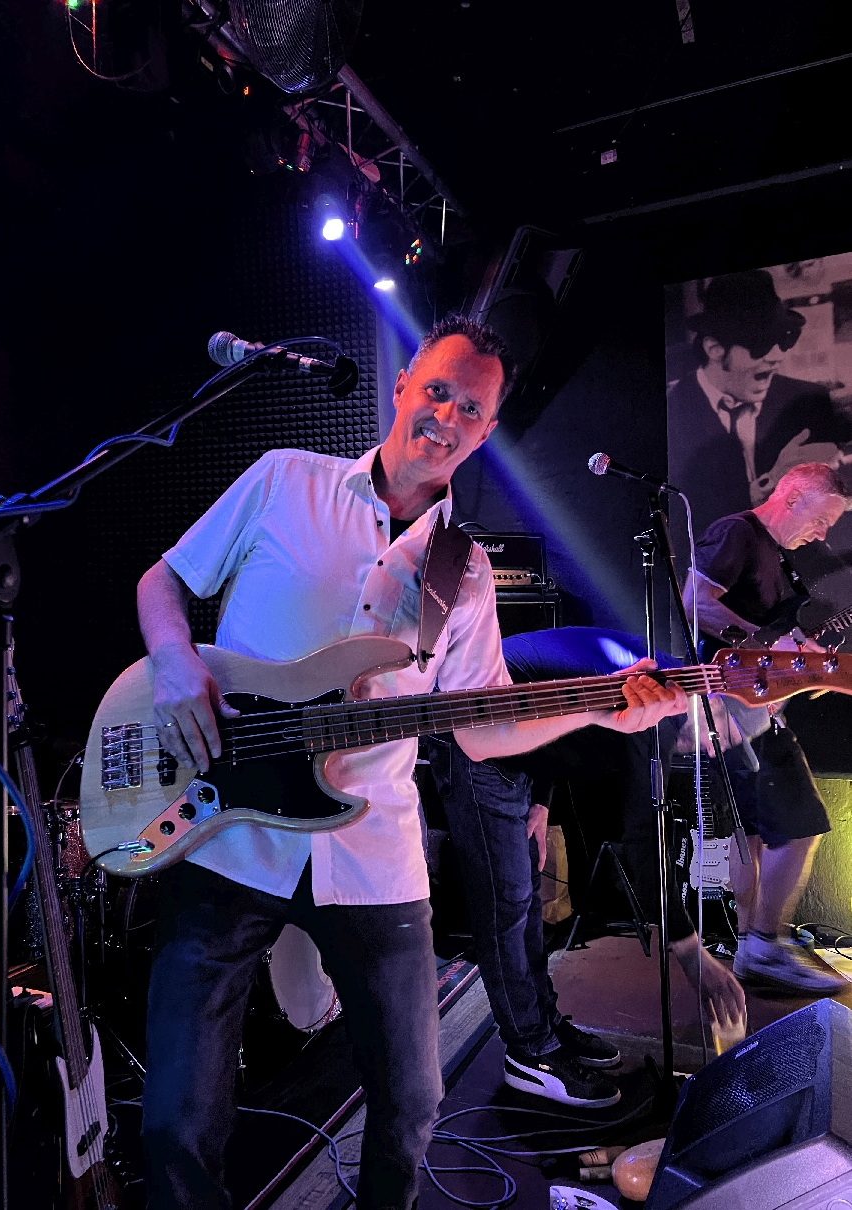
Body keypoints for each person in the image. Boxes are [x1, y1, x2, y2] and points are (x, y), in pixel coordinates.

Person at [134, 315, 688, 1210]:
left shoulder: (460, 571)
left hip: (370, 856)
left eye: (471, 408)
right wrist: (172, 660)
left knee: (410, 1108)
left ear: (487, 430)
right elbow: (162, 580)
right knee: (175, 1122)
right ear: (401, 388)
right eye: (437, 391)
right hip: (224, 835)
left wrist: (597, 708)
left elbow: (481, 728)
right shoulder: (283, 478)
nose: (447, 416)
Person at [423, 627, 745, 1112]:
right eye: (722, 740)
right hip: (475, 727)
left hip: (515, 740)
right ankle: (530, 1053)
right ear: (713, 706)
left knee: (524, 898)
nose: (710, 754)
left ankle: (544, 1026)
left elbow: (552, 706)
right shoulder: (656, 703)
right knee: (506, 903)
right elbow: (642, 838)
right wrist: (690, 953)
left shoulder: (665, 685)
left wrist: (539, 800)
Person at [683, 461, 851, 994]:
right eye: (821, 519)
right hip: (731, 711)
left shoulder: (777, 556)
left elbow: (772, 641)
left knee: (752, 834)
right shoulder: (737, 532)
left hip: (741, 712)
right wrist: (763, 650)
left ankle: (753, 946)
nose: (822, 534)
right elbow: (693, 602)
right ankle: (763, 945)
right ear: (793, 497)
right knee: (801, 825)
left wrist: (800, 666)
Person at [667, 270, 852, 536]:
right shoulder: (673, 414)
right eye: (760, 343)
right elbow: (683, 521)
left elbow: (829, 510)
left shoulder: (807, 402)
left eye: (783, 339)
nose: (777, 355)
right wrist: (769, 487)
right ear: (714, 349)